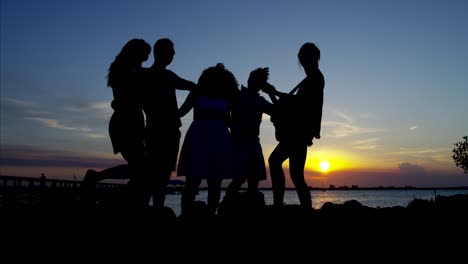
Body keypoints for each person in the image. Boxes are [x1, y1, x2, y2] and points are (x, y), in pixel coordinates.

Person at [80, 38, 151, 207]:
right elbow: (129, 96)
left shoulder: (128, 70)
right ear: (135, 53)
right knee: (139, 168)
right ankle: (97, 178)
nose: (145, 59)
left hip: (130, 119)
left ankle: (128, 198)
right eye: (144, 55)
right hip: (126, 121)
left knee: (140, 168)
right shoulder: (126, 71)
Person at [265, 42, 324, 208]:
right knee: (296, 175)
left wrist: (275, 93)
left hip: (298, 133)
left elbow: (300, 103)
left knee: (275, 161)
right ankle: (304, 208)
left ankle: (278, 204)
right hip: (301, 132)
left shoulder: (315, 78)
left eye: (305, 59)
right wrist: (274, 93)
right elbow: (295, 104)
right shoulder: (313, 78)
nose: (304, 63)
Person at [140, 38, 197, 207]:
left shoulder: (168, 75)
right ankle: (147, 207)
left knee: (162, 174)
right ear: (160, 52)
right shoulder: (147, 75)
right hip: (156, 129)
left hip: (169, 130)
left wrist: (179, 113)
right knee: (154, 172)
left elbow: (192, 87)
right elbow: (192, 87)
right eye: (170, 51)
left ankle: (156, 208)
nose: (173, 54)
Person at [177, 63, 238, 216]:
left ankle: (211, 214)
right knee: (192, 180)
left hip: (219, 138)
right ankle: (186, 215)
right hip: (198, 137)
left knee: (215, 182)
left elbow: (232, 121)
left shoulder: (228, 97)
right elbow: (181, 112)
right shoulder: (197, 93)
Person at [224, 67, 273, 199]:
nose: (257, 84)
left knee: (254, 180)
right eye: (256, 80)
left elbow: (278, 111)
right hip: (238, 142)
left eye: (261, 82)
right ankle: (226, 204)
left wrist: (271, 92)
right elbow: (225, 115)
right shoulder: (236, 95)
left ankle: (251, 209)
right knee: (239, 178)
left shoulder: (260, 101)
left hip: (253, 142)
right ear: (250, 80)